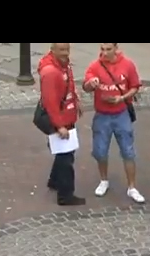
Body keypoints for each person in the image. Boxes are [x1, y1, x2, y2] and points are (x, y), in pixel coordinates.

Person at [83, 43, 145, 203]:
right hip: (102, 115)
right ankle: (104, 180)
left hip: (121, 114)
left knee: (128, 151)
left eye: (108, 49)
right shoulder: (95, 66)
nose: (104, 53)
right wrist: (91, 84)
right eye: (102, 49)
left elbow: (135, 86)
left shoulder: (127, 65)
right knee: (100, 151)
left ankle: (132, 187)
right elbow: (86, 86)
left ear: (116, 48)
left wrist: (122, 98)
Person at [38, 43, 86, 206]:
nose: (66, 53)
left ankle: (54, 181)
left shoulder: (62, 66)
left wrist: (75, 100)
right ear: (53, 50)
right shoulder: (51, 72)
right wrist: (59, 126)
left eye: (67, 49)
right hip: (62, 119)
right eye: (62, 50)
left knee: (62, 153)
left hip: (65, 116)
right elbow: (50, 102)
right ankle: (65, 195)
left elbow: (67, 87)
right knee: (66, 157)